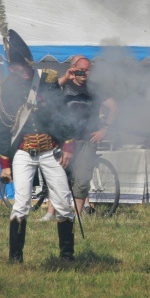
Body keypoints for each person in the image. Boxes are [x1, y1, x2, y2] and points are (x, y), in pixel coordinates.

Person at [0, 30, 76, 263]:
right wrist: (5, 164)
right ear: (11, 69)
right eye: (22, 68)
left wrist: (68, 144)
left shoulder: (47, 80)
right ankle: (15, 258)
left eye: (29, 66)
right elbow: (5, 130)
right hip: (23, 152)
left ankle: (67, 255)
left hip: (51, 150)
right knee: (21, 205)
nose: (28, 71)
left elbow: (62, 114)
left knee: (62, 203)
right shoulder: (4, 91)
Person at [41, 57, 117, 220]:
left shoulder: (96, 88)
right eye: (81, 69)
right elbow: (47, 93)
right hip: (65, 138)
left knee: (82, 179)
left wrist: (104, 129)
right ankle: (50, 213)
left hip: (87, 140)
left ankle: (76, 215)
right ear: (74, 68)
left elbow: (113, 107)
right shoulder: (64, 84)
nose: (84, 73)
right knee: (59, 176)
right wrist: (66, 77)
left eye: (87, 69)